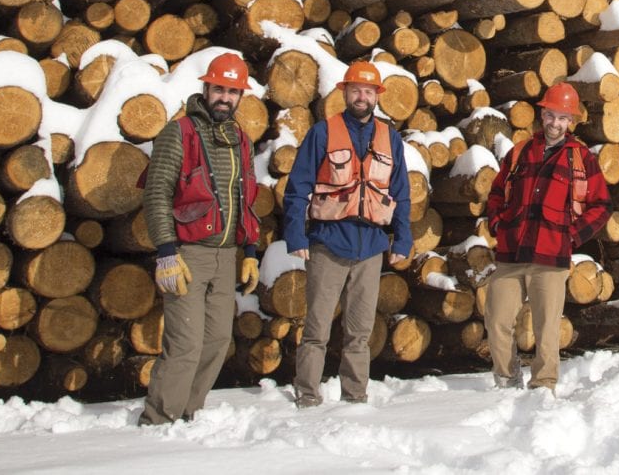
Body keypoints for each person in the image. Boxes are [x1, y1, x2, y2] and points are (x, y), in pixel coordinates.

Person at [138, 51, 260, 426]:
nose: (225, 97)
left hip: (226, 257)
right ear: (206, 88)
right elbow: (156, 193)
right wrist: (166, 252)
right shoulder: (178, 133)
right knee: (185, 344)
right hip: (187, 253)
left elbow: (246, 196)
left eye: (232, 91)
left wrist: (251, 250)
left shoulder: (241, 138)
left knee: (218, 340)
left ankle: (189, 412)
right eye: (219, 89)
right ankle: (159, 419)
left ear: (240, 97)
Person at [283, 59, 413, 408]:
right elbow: (297, 188)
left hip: (371, 246)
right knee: (317, 330)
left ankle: (355, 396)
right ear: (344, 92)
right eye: (356, 89)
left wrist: (402, 240)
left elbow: (400, 193)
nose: (362, 96)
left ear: (376, 96)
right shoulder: (322, 132)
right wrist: (296, 236)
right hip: (328, 242)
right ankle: (308, 395)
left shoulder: (391, 138)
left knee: (359, 331)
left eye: (368, 91)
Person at [483, 82, 611, 393]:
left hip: (551, 256)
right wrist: (498, 223)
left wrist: (572, 236)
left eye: (563, 118)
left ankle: (543, 384)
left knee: (547, 328)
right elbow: (497, 192)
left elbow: (602, 205)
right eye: (551, 115)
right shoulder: (520, 152)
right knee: (497, 320)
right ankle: (506, 379)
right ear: (543, 114)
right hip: (511, 252)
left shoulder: (581, 158)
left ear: (571, 122)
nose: (555, 123)